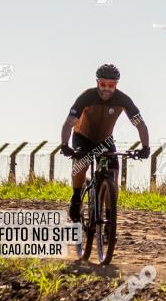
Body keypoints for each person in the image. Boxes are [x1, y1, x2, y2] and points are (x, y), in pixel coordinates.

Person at [60, 64, 150, 221]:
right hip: (83, 137)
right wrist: (64, 145)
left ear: (116, 85)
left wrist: (145, 147)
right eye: (103, 84)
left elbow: (140, 124)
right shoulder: (87, 97)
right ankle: (75, 198)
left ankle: (110, 217)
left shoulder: (123, 100)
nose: (106, 89)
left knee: (113, 172)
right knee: (81, 164)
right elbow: (69, 122)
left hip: (105, 141)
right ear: (97, 83)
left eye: (111, 85)